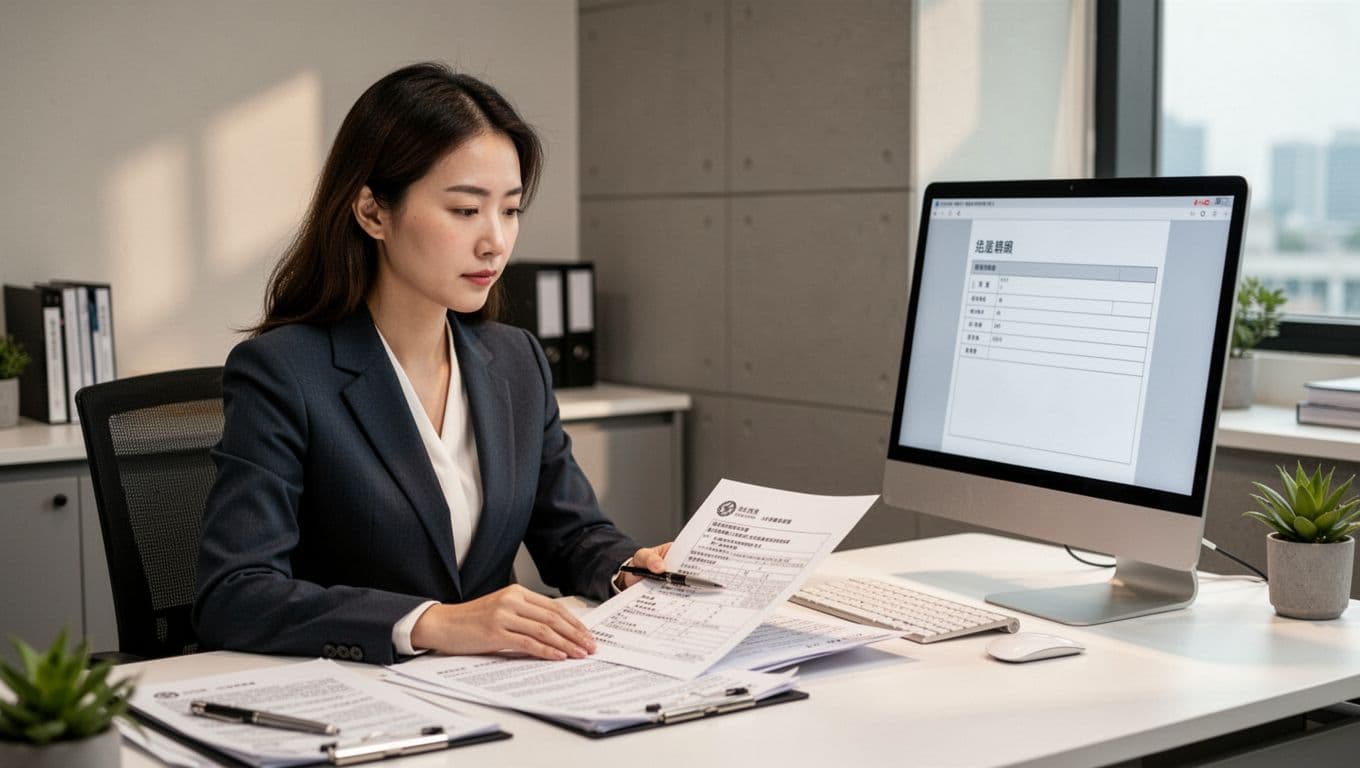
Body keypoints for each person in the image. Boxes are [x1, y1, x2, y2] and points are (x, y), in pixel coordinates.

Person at [193, 62, 670, 666]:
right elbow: (234, 595)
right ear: (372, 212)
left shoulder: (516, 359)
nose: (495, 241)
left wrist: (628, 568)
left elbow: (572, 534)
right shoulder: (283, 371)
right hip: (361, 705)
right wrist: (431, 623)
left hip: (506, 695)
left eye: (511, 210)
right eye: (466, 211)